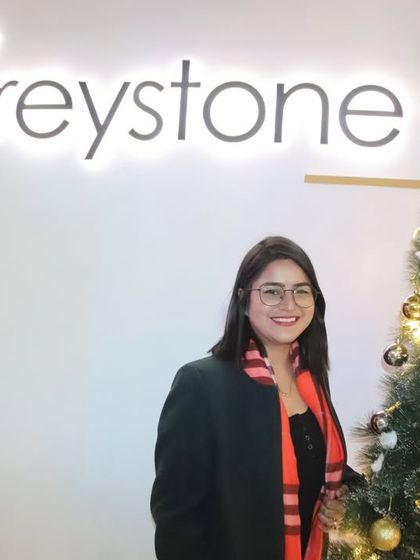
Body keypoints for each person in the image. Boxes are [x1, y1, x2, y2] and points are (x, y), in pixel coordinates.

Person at [151, 236, 358, 560]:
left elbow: (320, 462)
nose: (289, 305)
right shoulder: (201, 385)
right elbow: (176, 519)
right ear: (244, 301)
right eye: (272, 291)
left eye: (301, 291)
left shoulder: (312, 380)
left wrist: (344, 497)